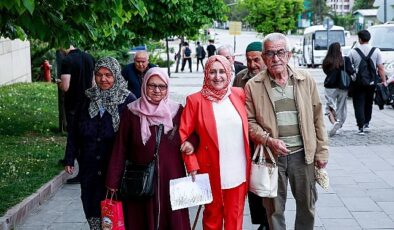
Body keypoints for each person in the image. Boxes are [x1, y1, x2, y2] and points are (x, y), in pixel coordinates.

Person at [245, 33, 329, 230]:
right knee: (273, 209)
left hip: (303, 156)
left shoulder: (305, 79)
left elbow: (318, 117)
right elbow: (249, 122)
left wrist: (322, 151)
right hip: (272, 157)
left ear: (289, 55)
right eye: (270, 54)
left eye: (280, 52)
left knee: (307, 206)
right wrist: (268, 141)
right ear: (264, 57)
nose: (275, 58)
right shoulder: (253, 85)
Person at [106, 67, 193, 230]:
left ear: (168, 88)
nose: (157, 90)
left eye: (162, 86)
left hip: (172, 177)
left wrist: (191, 143)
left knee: (173, 219)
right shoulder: (131, 111)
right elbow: (120, 147)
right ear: (144, 86)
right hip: (140, 180)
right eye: (152, 85)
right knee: (141, 220)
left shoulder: (177, 111)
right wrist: (112, 180)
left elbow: (193, 133)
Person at [63, 57, 136, 229]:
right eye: (99, 75)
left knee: (114, 210)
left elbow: (134, 135)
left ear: (116, 76)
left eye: (108, 75)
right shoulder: (87, 98)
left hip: (116, 167)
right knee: (91, 204)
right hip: (89, 165)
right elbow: (73, 130)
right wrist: (69, 157)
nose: (103, 79)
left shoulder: (128, 100)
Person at [179, 55, 251, 230]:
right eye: (212, 72)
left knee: (235, 217)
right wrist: (192, 164)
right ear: (206, 74)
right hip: (209, 169)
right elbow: (184, 134)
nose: (217, 77)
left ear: (228, 74)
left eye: (221, 72)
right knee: (212, 218)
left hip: (238, 168)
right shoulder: (194, 100)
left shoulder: (239, 94)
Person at [233, 42, 269, 230]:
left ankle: (268, 221)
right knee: (253, 183)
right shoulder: (240, 78)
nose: (252, 64)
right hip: (246, 139)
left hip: (268, 138)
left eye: (256, 60)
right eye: (249, 60)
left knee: (268, 182)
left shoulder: (271, 76)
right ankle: (261, 222)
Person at [58, 45, 95, 184]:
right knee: (85, 137)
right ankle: (87, 170)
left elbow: (66, 86)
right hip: (89, 103)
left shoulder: (67, 61)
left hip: (73, 104)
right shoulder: (89, 57)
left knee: (75, 137)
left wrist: (59, 83)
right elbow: (93, 82)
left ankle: (81, 172)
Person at [348, 30, 387, 134]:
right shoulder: (376, 51)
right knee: (368, 102)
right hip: (371, 82)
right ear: (369, 39)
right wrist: (384, 81)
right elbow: (381, 68)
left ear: (359, 39)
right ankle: (366, 123)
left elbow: (348, 67)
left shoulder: (353, 51)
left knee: (358, 103)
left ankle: (360, 126)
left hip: (358, 82)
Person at [322, 42, 355, 137]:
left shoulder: (327, 60)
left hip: (329, 86)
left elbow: (325, 71)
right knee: (341, 107)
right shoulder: (345, 59)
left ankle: (334, 123)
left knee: (329, 106)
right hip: (342, 86)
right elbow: (350, 71)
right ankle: (339, 124)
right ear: (340, 49)